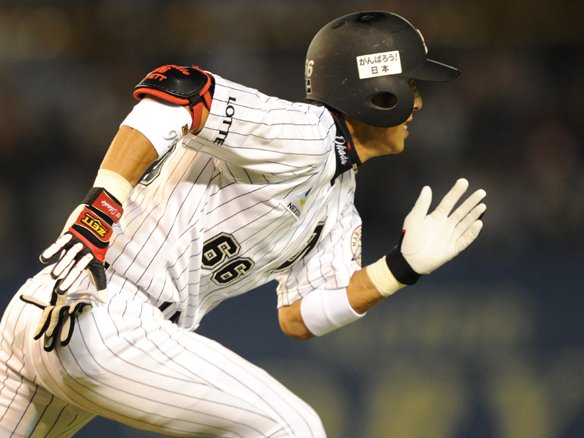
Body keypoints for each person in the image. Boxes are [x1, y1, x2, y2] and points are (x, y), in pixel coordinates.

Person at [0, 10, 486, 437]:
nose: (419, 103)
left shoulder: (338, 197)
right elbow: (178, 90)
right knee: (294, 427)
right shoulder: (309, 135)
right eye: (412, 86)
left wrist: (399, 269)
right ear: (377, 90)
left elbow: (299, 317)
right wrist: (100, 209)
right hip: (106, 309)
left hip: (46, 313)